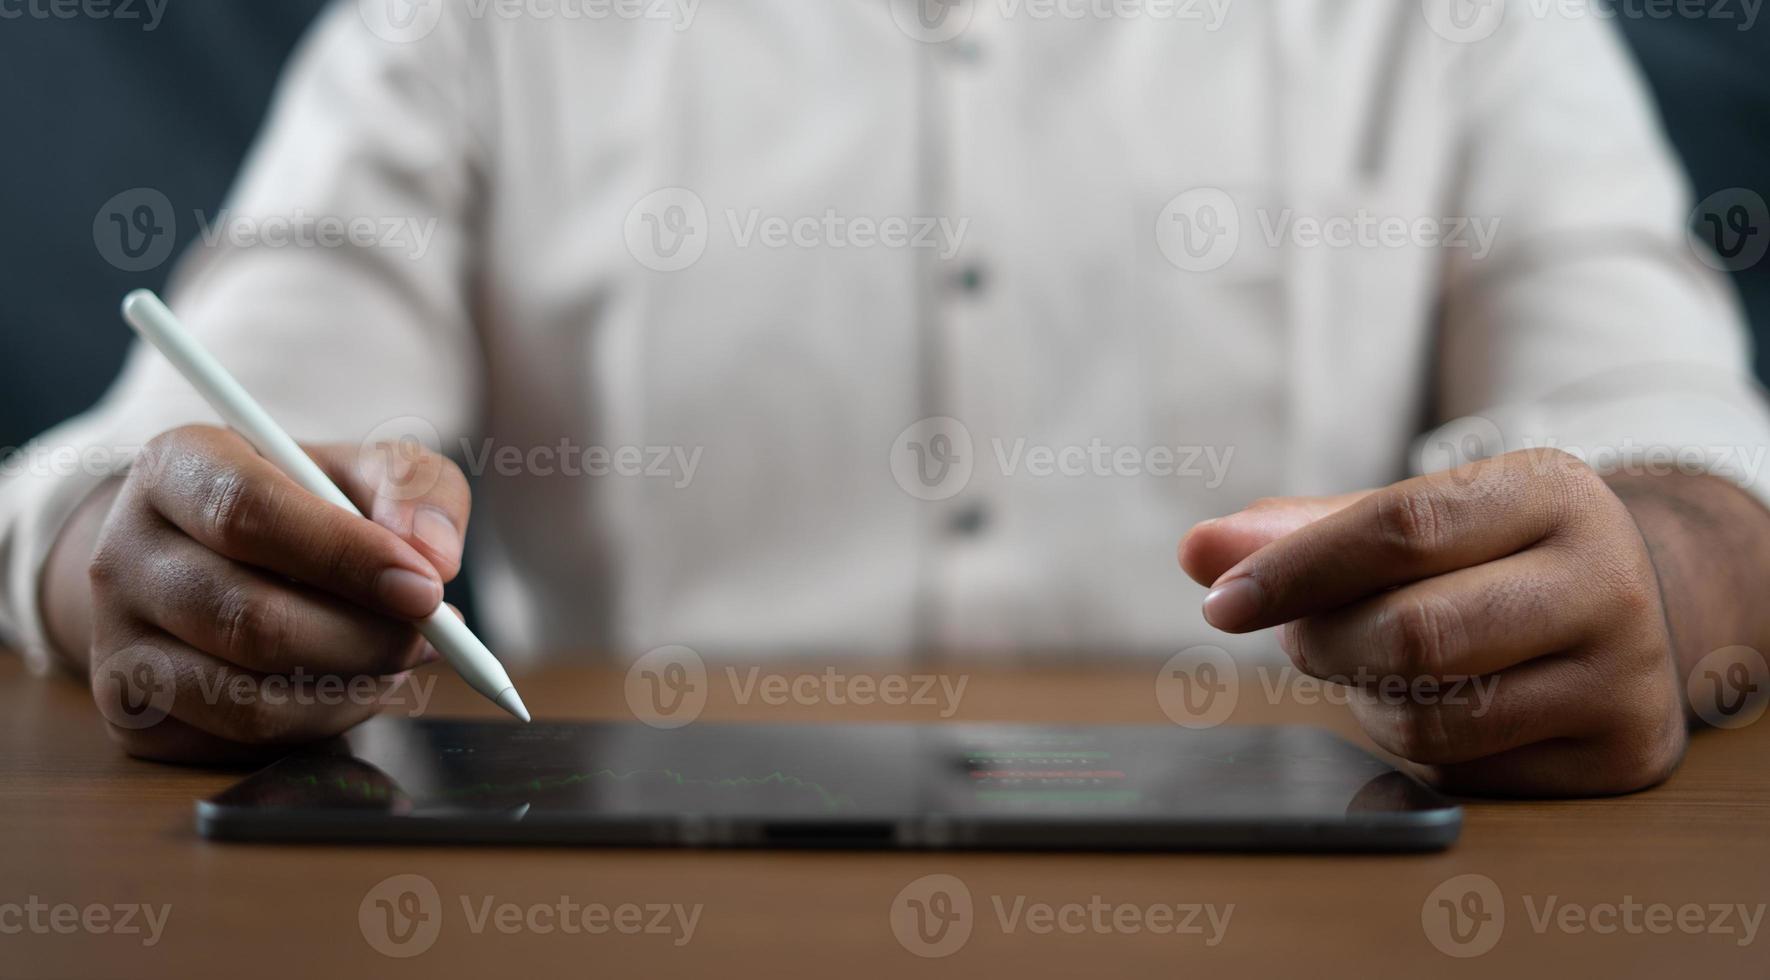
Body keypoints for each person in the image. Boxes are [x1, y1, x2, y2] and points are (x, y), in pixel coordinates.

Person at [3, 0, 1768, 794]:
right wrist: (149, 552)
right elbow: (158, 466)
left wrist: (1649, 579)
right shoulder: (466, 20)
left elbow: (1683, 446)